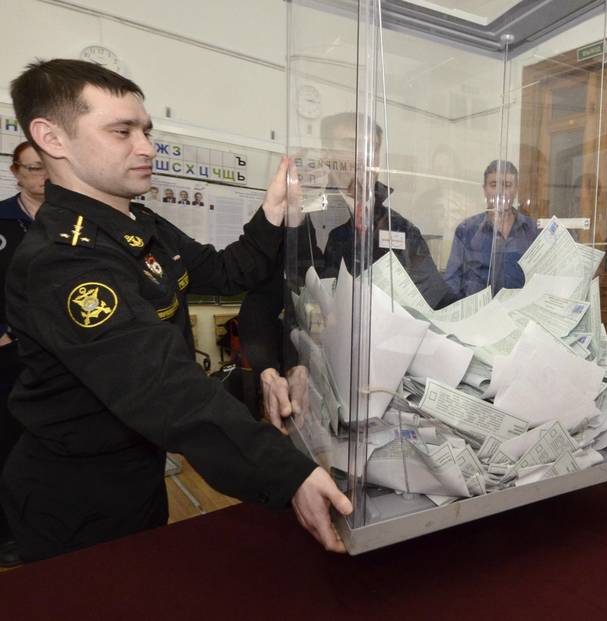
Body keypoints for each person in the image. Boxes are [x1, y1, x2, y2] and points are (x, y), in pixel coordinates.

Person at [0, 58, 352, 563]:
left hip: (137, 471)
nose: (146, 147)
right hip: (76, 495)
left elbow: (226, 272)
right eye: (121, 131)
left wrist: (272, 210)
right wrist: (288, 472)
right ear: (51, 139)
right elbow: (166, 389)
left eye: (146, 130)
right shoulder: (65, 261)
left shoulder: (138, 222)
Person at [240, 111, 456, 425]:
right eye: (349, 146)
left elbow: (437, 300)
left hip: (382, 388)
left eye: (371, 148)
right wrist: (271, 370)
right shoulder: (298, 220)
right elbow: (260, 306)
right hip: (307, 383)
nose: (360, 158)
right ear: (327, 154)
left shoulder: (399, 229)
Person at [0, 141, 48, 567]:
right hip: (7, 357)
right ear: (16, 172)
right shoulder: (1, 219)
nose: (43, 178)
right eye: (34, 170)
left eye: (48, 168)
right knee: (8, 443)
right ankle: (9, 535)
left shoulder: (73, 223)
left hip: (60, 356)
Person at [443, 160, 538, 297]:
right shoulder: (467, 231)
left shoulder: (532, 231)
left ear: (516, 190)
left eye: (507, 185)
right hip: (476, 314)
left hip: (517, 314)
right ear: (485, 189)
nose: (500, 192)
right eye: (494, 185)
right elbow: (451, 283)